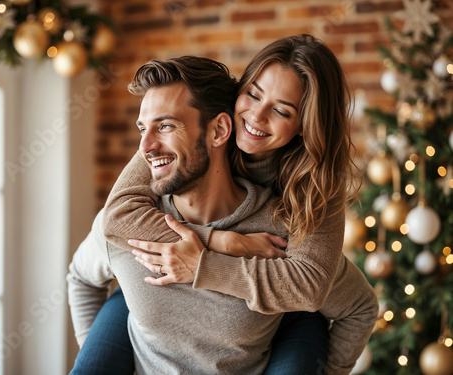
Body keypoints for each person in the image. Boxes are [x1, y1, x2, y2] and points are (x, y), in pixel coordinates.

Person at [96, 34, 379, 375]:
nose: (256, 116)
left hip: (279, 315)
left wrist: (206, 266)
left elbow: (309, 286)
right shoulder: (198, 131)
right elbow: (116, 216)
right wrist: (220, 241)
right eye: (253, 94)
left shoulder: (316, 185)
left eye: (281, 110)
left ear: (306, 125)